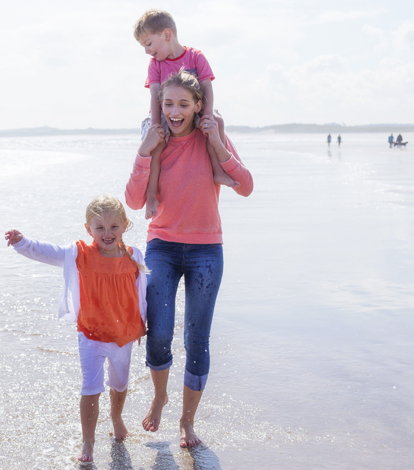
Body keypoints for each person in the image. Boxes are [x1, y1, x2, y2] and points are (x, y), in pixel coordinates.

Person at [125, 71, 253, 448]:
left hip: (206, 251)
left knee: (197, 340)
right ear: (159, 105)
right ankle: (160, 395)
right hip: (162, 246)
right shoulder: (156, 140)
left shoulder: (210, 138)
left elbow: (245, 186)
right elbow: (133, 201)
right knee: (159, 333)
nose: (175, 111)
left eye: (183, 104)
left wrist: (218, 140)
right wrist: (144, 150)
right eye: (168, 104)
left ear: (199, 106)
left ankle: (187, 421)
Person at [5, 194, 147, 464]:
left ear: (126, 225)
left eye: (114, 226)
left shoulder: (134, 256)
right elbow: (50, 252)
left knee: (119, 383)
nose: (107, 233)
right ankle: (89, 441)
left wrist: (147, 323)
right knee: (91, 386)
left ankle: (116, 417)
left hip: (123, 335)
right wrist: (23, 243)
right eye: (100, 227)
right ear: (88, 229)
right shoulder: (80, 253)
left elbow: (145, 293)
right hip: (91, 332)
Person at [133, 9, 238, 219]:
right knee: (156, 144)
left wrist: (207, 116)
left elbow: (207, 87)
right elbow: (155, 96)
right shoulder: (155, 64)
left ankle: (217, 171)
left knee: (217, 121)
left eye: (148, 44)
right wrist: (156, 127)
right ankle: (152, 195)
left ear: (166, 34)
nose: (146, 51)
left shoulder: (195, 57)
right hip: (162, 114)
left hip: (194, 109)